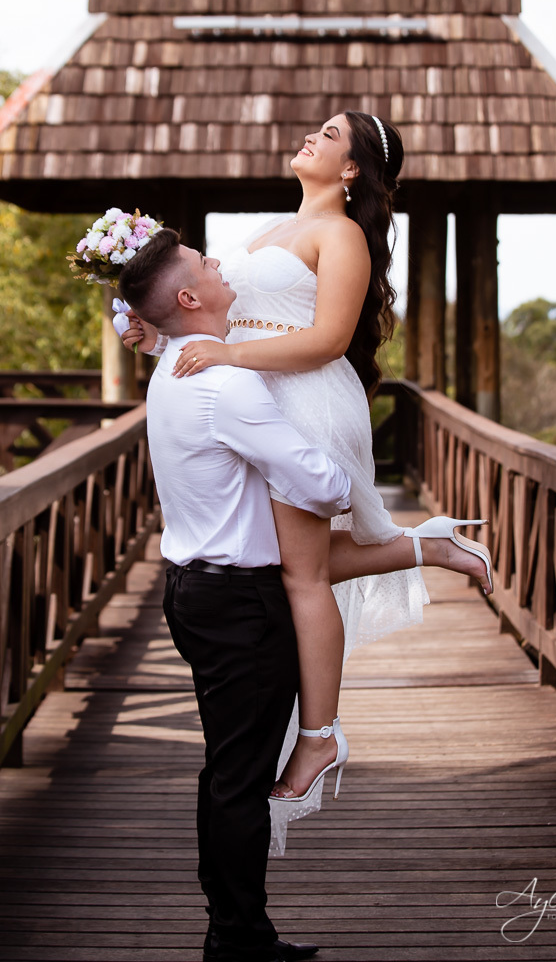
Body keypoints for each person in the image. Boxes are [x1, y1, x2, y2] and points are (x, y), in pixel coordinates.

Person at [120, 110, 492, 812]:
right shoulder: (274, 228)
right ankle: (429, 547)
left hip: (307, 401)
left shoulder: (341, 234)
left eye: (329, 136)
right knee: (287, 561)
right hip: (258, 397)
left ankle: (320, 735)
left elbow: (327, 340)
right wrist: (159, 335)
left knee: (300, 576)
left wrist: (230, 354)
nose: (311, 138)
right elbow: (222, 316)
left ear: (351, 169)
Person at [118, 226, 351, 962]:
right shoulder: (226, 383)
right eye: (204, 262)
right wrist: (341, 471)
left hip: (192, 592)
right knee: (239, 779)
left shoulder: (171, 366)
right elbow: (323, 485)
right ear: (191, 298)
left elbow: (157, 334)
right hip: (240, 606)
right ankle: (238, 940)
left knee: (228, 768)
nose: (219, 263)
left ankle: (233, 929)